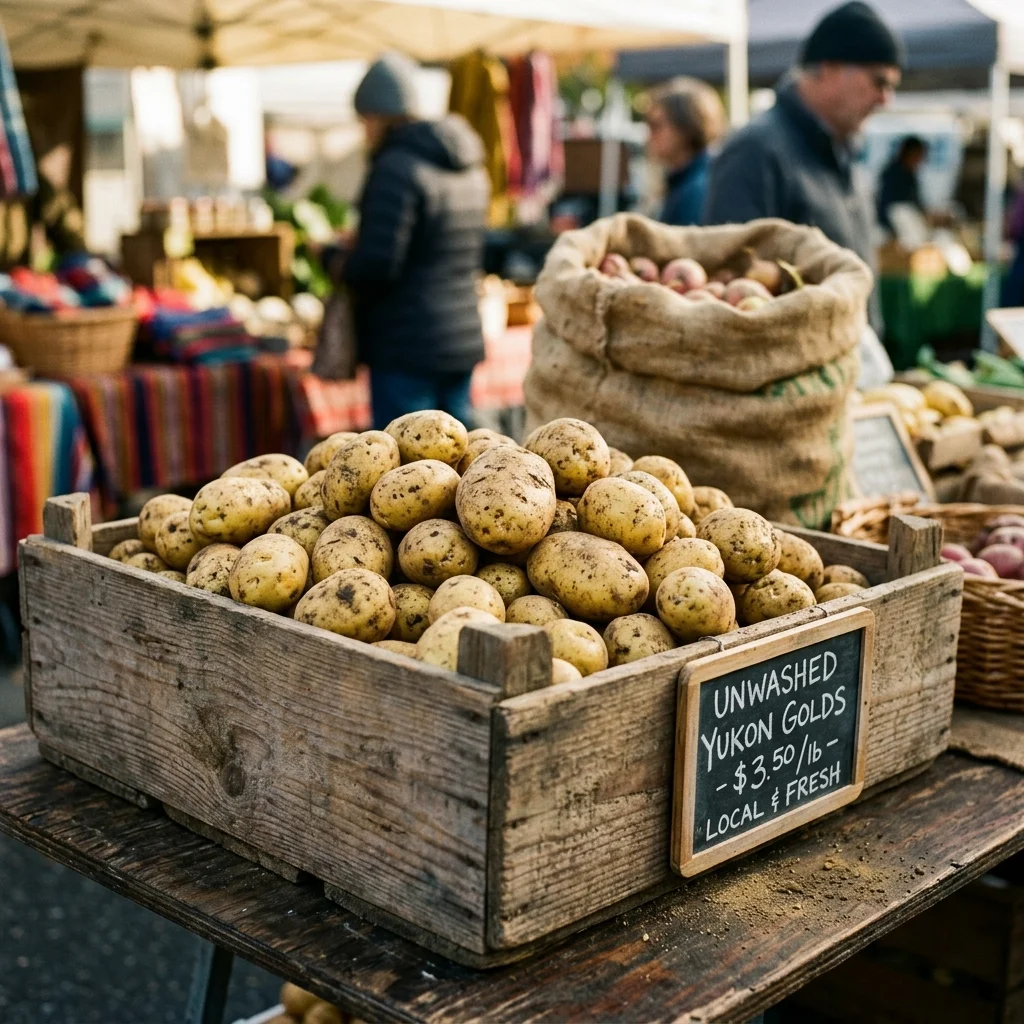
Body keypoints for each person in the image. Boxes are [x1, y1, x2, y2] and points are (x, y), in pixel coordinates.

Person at [703, 1, 904, 332]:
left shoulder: (844, 152)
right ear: (829, 68)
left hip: (849, 354)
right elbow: (732, 278)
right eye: (879, 82)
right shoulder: (755, 151)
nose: (886, 99)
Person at [337, 52, 490, 430]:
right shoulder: (469, 165)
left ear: (378, 115)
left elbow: (377, 265)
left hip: (405, 348)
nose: (364, 132)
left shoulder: (395, 167)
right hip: (460, 338)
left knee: (408, 459)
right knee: (461, 454)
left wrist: (332, 258)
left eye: (364, 120)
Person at [645, 77, 725, 227]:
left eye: (656, 126)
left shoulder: (698, 189)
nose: (649, 135)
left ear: (686, 127)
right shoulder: (689, 179)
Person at [877, 135, 928, 234]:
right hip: (890, 229)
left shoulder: (911, 175)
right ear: (909, 153)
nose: (920, 161)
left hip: (909, 227)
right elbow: (885, 206)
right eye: (918, 156)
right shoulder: (892, 174)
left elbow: (917, 204)